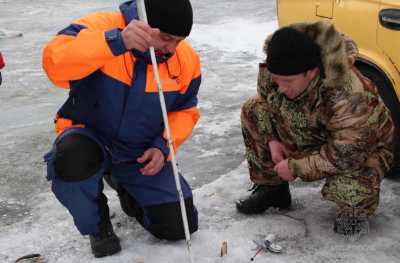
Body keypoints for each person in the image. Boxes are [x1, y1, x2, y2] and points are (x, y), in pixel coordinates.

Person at [42, 0, 200, 258]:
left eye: (179, 41)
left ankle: (125, 186)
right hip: (89, 137)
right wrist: (115, 42)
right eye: (166, 38)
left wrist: (162, 146)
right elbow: (54, 64)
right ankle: (98, 224)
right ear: (146, 23)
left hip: (138, 150)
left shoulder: (186, 60)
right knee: (71, 160)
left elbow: (185, 110)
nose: (171, 48)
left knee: (180, 225)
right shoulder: (100, 27)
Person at [236, 21, 394, 235]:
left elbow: (345, 155)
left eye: (287, 81)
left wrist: (295, 167)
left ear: (311, 73)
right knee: (253, 109)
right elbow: (266, 101)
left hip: (359, 149)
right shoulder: (277, 65)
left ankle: (354, 211)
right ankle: (273, 190)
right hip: (310, 130)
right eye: (276, 79)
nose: (280, 87)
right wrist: (272, 140)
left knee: (351, 186)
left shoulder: (351, 95)